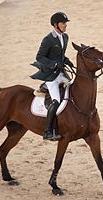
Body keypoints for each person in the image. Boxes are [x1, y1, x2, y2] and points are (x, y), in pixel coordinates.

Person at [30, 12, 74, 141]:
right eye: (63, 23)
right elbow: (39, 57)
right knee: (56, 100)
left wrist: (67, 61)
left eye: (65, 23)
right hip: (51, 76)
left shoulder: (65, 37)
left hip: (61, 73)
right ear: (56, 25)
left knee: (72, 88)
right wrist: (53, 64)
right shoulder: (48, 39)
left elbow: (60, 55)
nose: (65, 25)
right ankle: (48, 131)